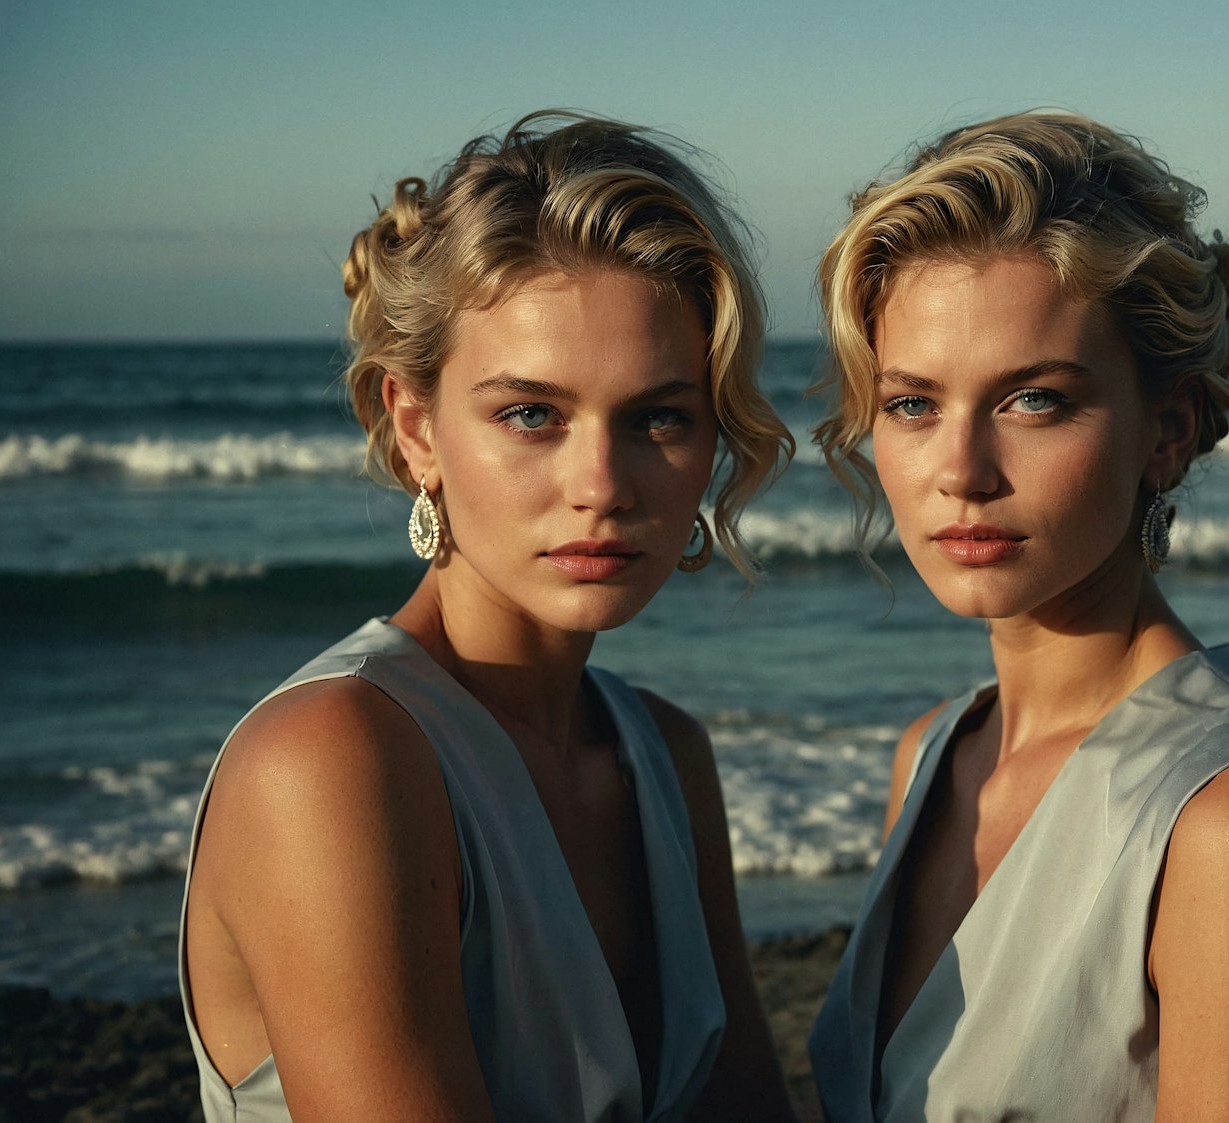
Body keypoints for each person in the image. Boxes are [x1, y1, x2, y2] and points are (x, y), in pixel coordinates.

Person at [178, 112, 796, 1122]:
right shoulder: (332, 761)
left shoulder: (666, 758)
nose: (600, 484)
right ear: (415, 428)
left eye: (657, 417)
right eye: (531, 414)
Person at [807, 111, 1229, 1121]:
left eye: (1034, 400)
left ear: (1169, 428)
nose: (961, 474)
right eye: (913, 403)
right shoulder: (932, 755)